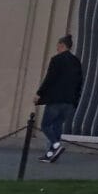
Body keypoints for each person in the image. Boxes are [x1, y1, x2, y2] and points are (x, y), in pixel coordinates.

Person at [36, 33, 83, 162]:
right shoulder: (76, 61)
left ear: (62, 45)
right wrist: (75, 101)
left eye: (58, 45)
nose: (57, 47)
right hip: (69, 101)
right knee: (57, 126)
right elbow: (79, 82)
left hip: (56, 99)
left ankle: (56, 145)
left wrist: (39, 94)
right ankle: (50, 155)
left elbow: (49, 79)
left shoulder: (57, 60)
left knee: (46, 125)